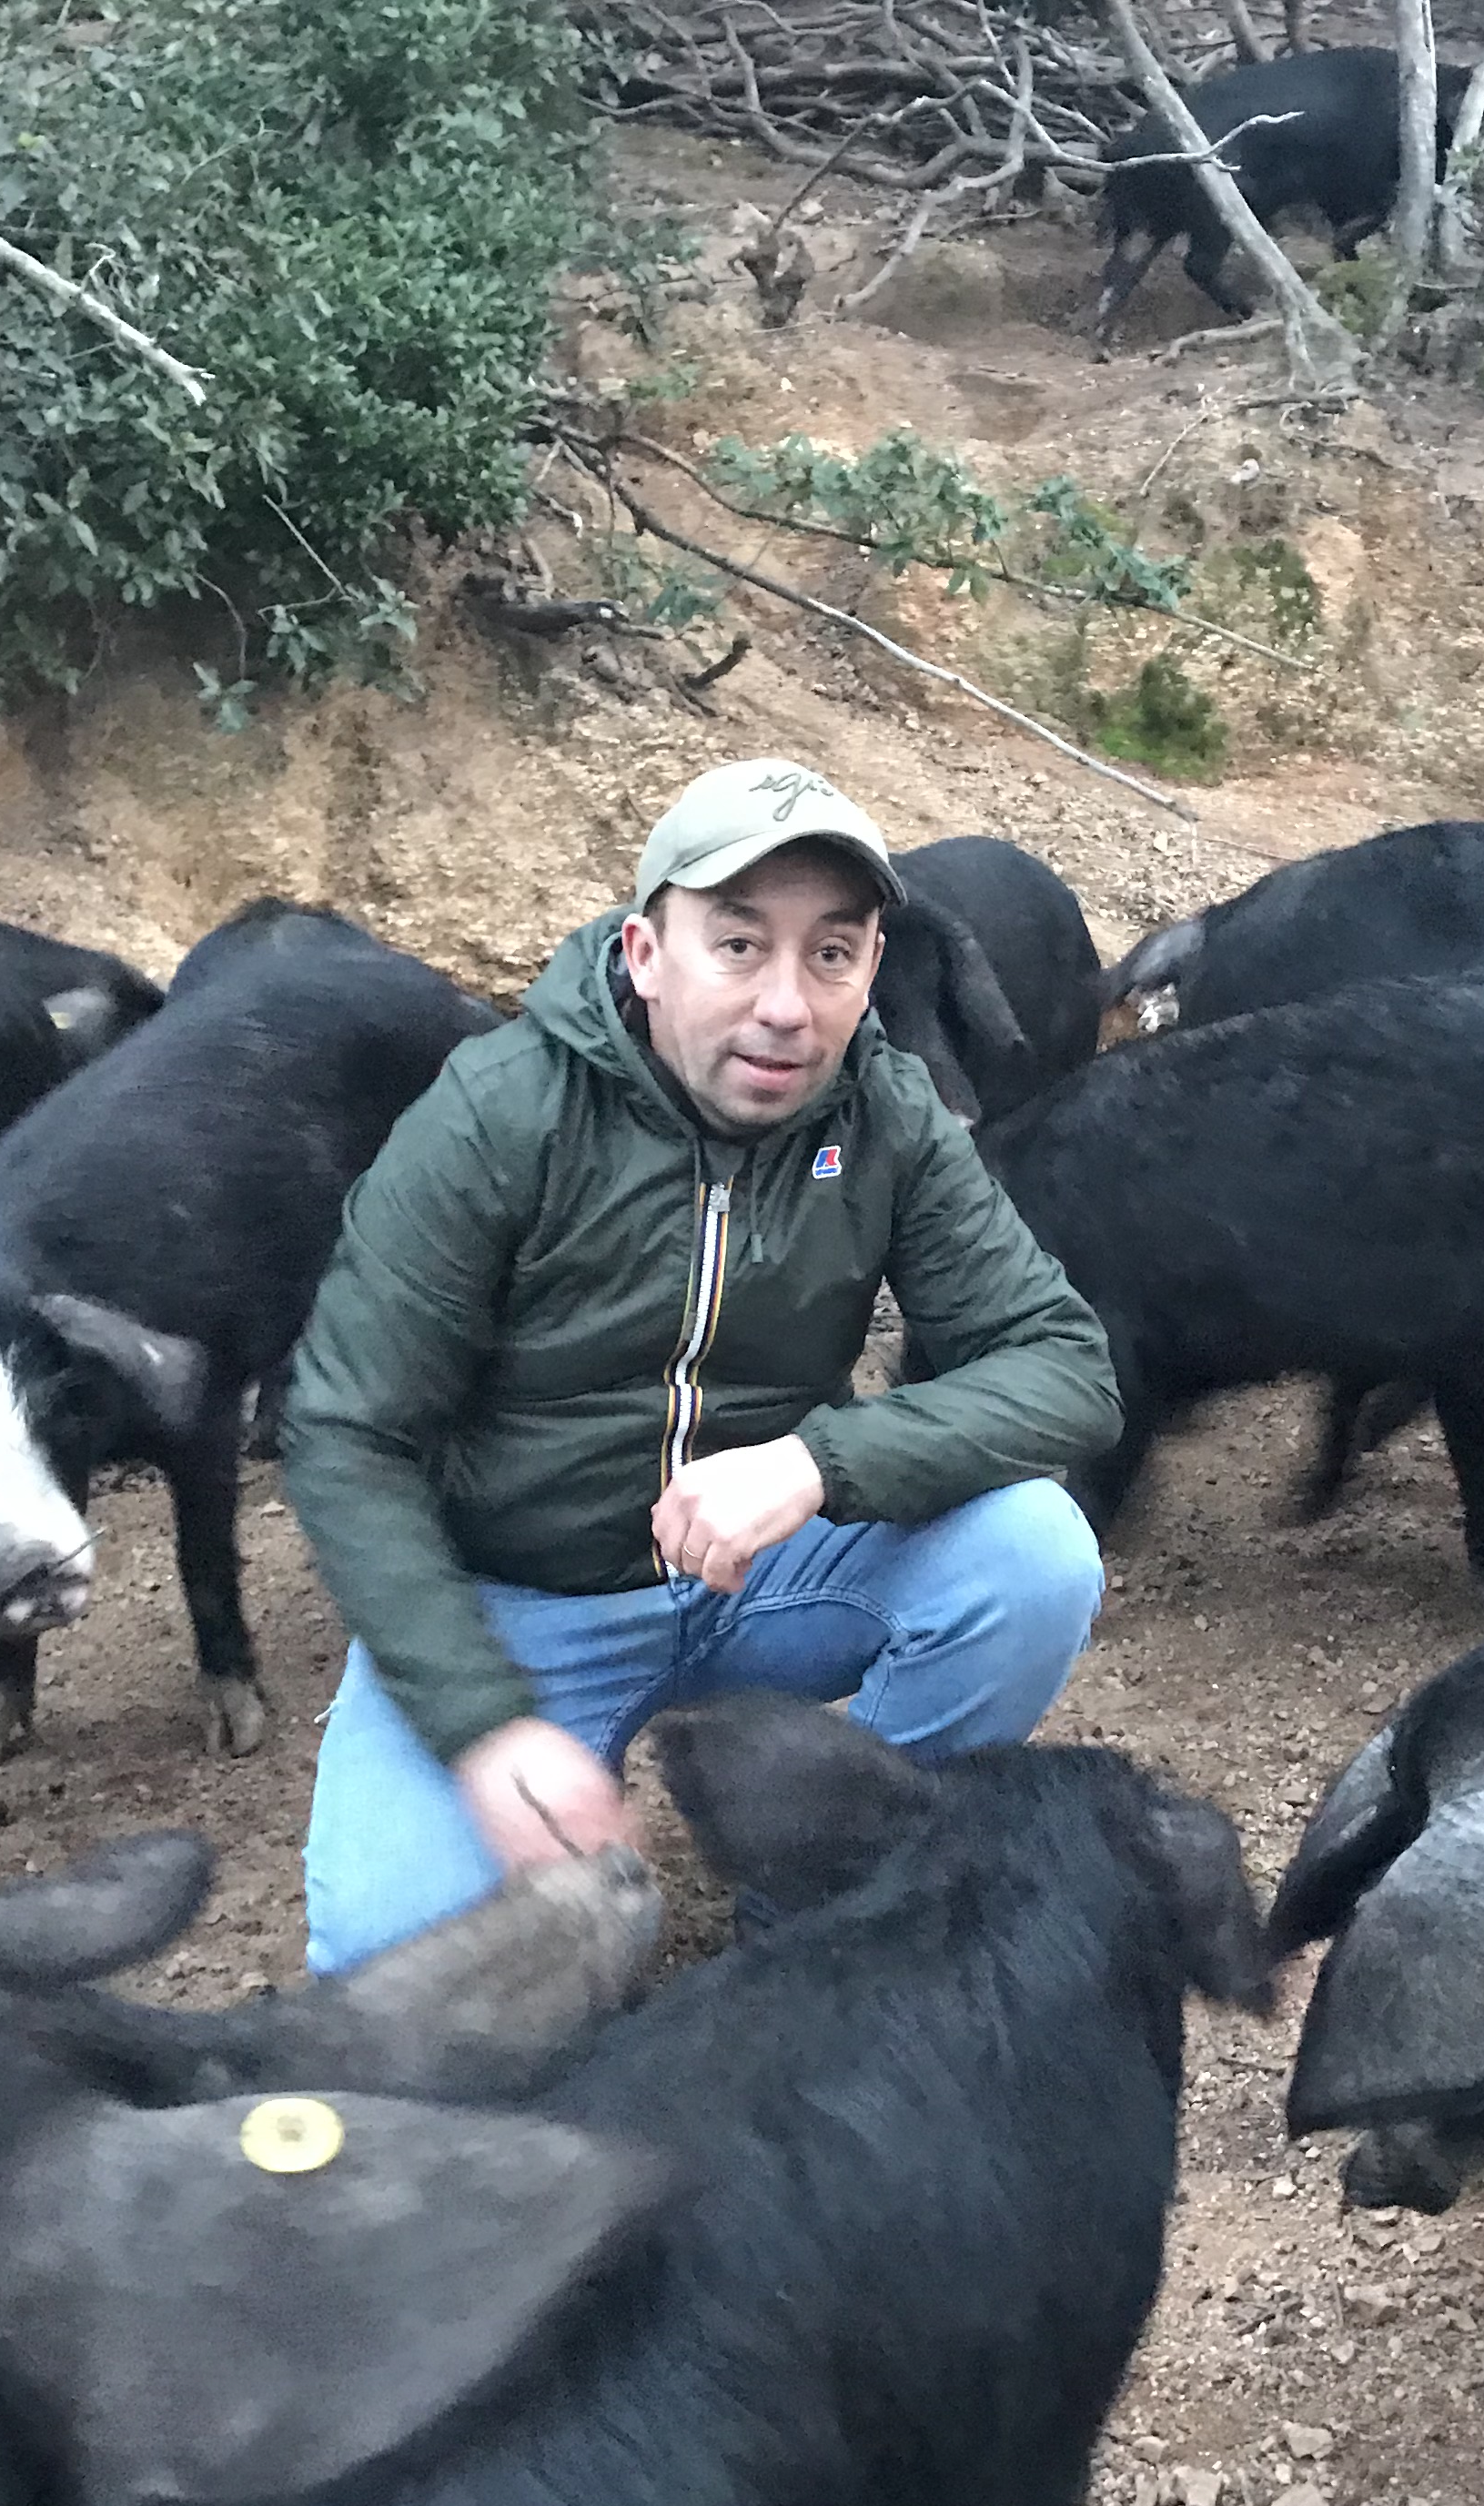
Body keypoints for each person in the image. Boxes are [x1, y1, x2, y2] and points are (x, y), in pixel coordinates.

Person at [280, 759, 1124, 1974]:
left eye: (832, 954)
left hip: (763, 1573)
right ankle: (525, 1758)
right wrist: (483, 1726)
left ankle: (817, 1887)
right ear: (644, 952)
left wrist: (817, 1461)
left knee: (1032, 1557)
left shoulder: (884, 1120)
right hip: (518, 1601)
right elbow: (346, 1434)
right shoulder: (498, 1118)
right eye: (739, 946)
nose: (788, 1003)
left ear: (872, 968)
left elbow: (1063, 1367)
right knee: (395, 1965)